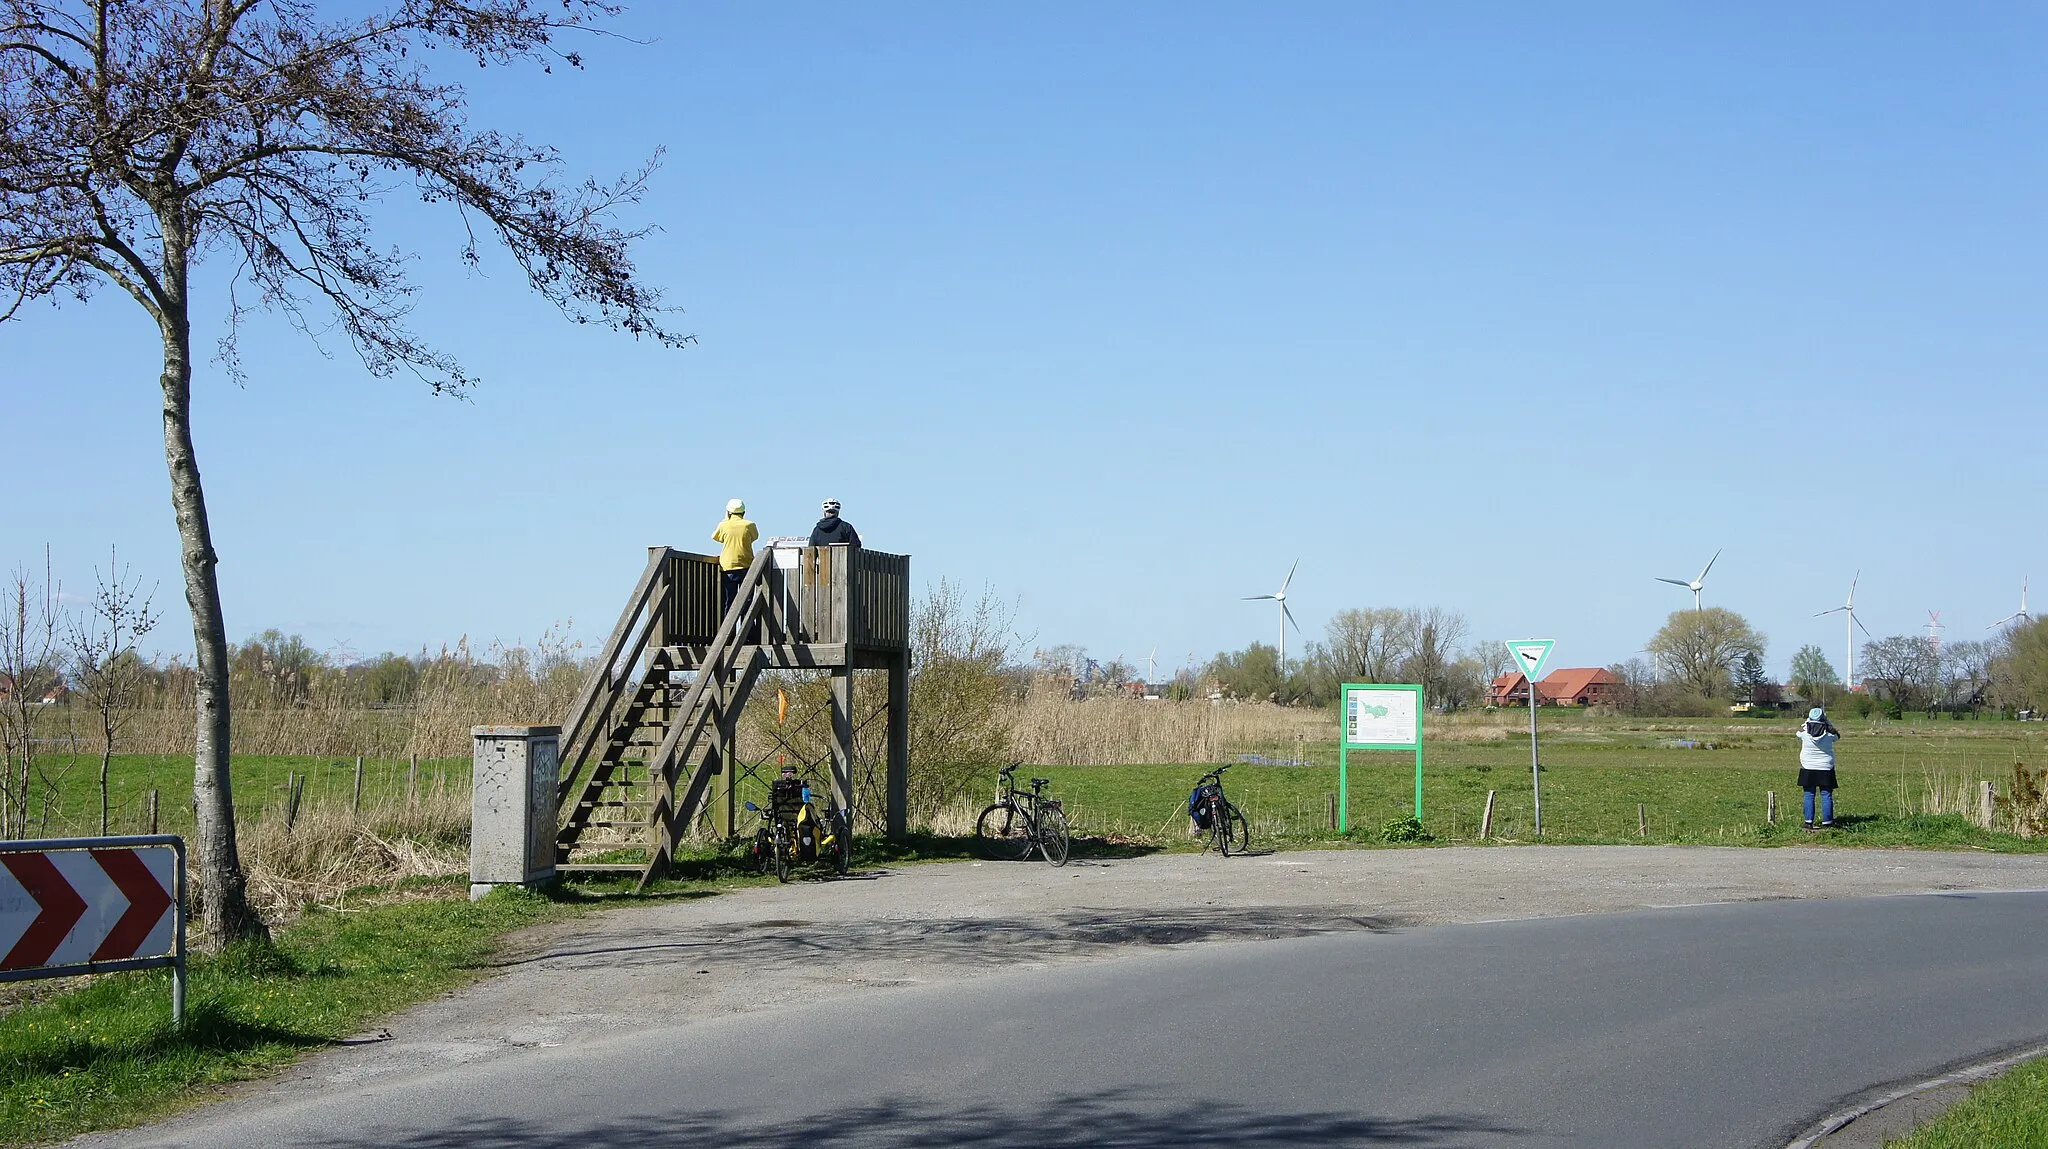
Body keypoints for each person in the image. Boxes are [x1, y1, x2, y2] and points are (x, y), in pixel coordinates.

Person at [1797, 706, 1841, 829]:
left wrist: (1807, 722)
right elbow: (1837, 736)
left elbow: (1798, 732)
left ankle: (1808, 822)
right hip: (1826, 766)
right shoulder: (1829, 733)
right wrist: (1828, 722)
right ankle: (1827, 823)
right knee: (1826, 794)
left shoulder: (1804, 732)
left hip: (1807, 766)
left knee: (1809, 794)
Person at [712, 498, 757, 614]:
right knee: (747, 601)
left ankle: (728, 630)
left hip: (728, 566)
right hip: (746, 565)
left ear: (728, 512)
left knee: (728, 600)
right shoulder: (749, 525)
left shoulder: (724, 525)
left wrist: (726, 519)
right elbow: (755, 537)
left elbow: (716, 537)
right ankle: (748, 630)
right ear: (744, 512)